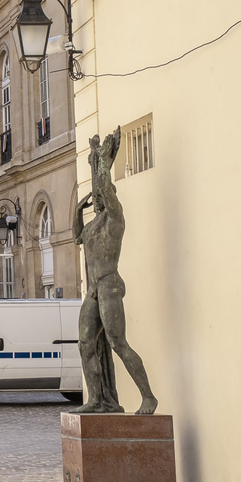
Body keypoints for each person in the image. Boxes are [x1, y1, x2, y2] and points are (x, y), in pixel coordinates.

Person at [72, 127, 157, 415]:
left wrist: (102, 165)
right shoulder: (93, 226)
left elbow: (107, 189)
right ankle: (96, 399)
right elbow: (76, 237)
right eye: (95, 195)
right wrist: (77, 210)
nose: (97, 197)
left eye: (100, 195)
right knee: (85, 344)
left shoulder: (114, 219)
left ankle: (148, 397)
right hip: (93, 291)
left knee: (118, 343)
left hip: (109, 285)